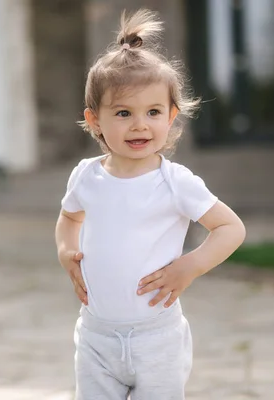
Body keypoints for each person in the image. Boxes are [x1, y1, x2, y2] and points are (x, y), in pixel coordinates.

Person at [54, 8, 247, 400]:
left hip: (156, 337)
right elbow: (68, 217)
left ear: (172, 116)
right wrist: (65, 250)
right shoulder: (86, 176)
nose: (140, 124)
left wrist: (189, 267)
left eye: (153, 112)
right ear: (95, 120)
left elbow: (231, 229)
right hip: (96, 335)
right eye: (123, 113)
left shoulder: (175, 183)